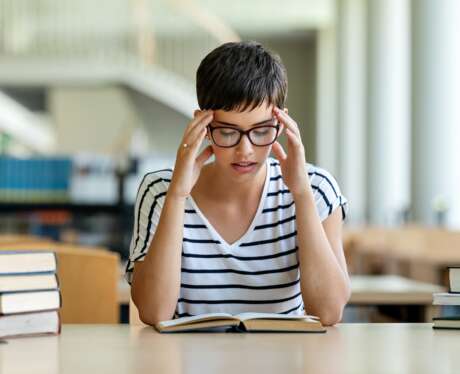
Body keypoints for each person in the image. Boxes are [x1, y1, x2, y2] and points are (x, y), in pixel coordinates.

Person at [126, 41, 350, 326]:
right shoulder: (160, 190)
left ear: (281, 125)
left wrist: (301, 194)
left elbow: (329, 312)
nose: (245, 150)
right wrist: (177, 196)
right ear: (203, 126)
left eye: (261, 131)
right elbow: (154, 312)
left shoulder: (316, 188)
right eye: (228, 132)